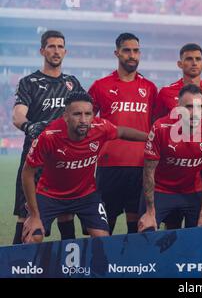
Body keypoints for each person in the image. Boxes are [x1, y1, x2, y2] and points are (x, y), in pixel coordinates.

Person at [21, 91, 148, 243]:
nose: (83, 120)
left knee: (103, 240)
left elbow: (121, 131)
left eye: (88, 114)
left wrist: (150, 138)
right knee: (32, 237)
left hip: (86, 195)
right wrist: (34, 215)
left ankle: (96, 267)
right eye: (77, 114)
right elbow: (27, 173)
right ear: (66, 116)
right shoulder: (49, 136)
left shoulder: (100, 127)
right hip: (50, 195)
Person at [12, 30, 84, 244]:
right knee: (25, 217)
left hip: (65, 160)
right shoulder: (29, 82)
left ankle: (69, 269)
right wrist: (29, 126)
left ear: (66, 51)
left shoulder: (72, 83)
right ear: (42, 50)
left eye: (60, 46)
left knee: (67, 215)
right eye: (51, 46)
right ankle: (16, 268)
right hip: (35, 160)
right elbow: (18, 115)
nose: (56, 51)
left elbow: (85, 113)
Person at [87, 33, 158, 234]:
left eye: (136, 51)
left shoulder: (150, 88)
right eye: (127, 50)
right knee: (103, 226)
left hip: (141, 167)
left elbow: (155, 128)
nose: (132, 55)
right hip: (109, 165)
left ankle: (134, 266)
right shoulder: (100, 86)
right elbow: (87, 123)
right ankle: (101, 265)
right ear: (117, 53)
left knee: (137, 227)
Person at [152, 43, 202, 227]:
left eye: (198, 59)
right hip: (174, 168)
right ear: (180, 64)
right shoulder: (166, 92)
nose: (194, 63)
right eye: (189, 59)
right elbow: (158, 125)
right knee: (172, 226)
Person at [138, 85, 202, 231]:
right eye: (189, 107)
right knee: (145, 229)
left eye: (200, 107)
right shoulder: (160, 127)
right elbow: (148, 171)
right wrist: (150, 211)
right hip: (161, 190)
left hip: (192, 191)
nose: (195, 113)